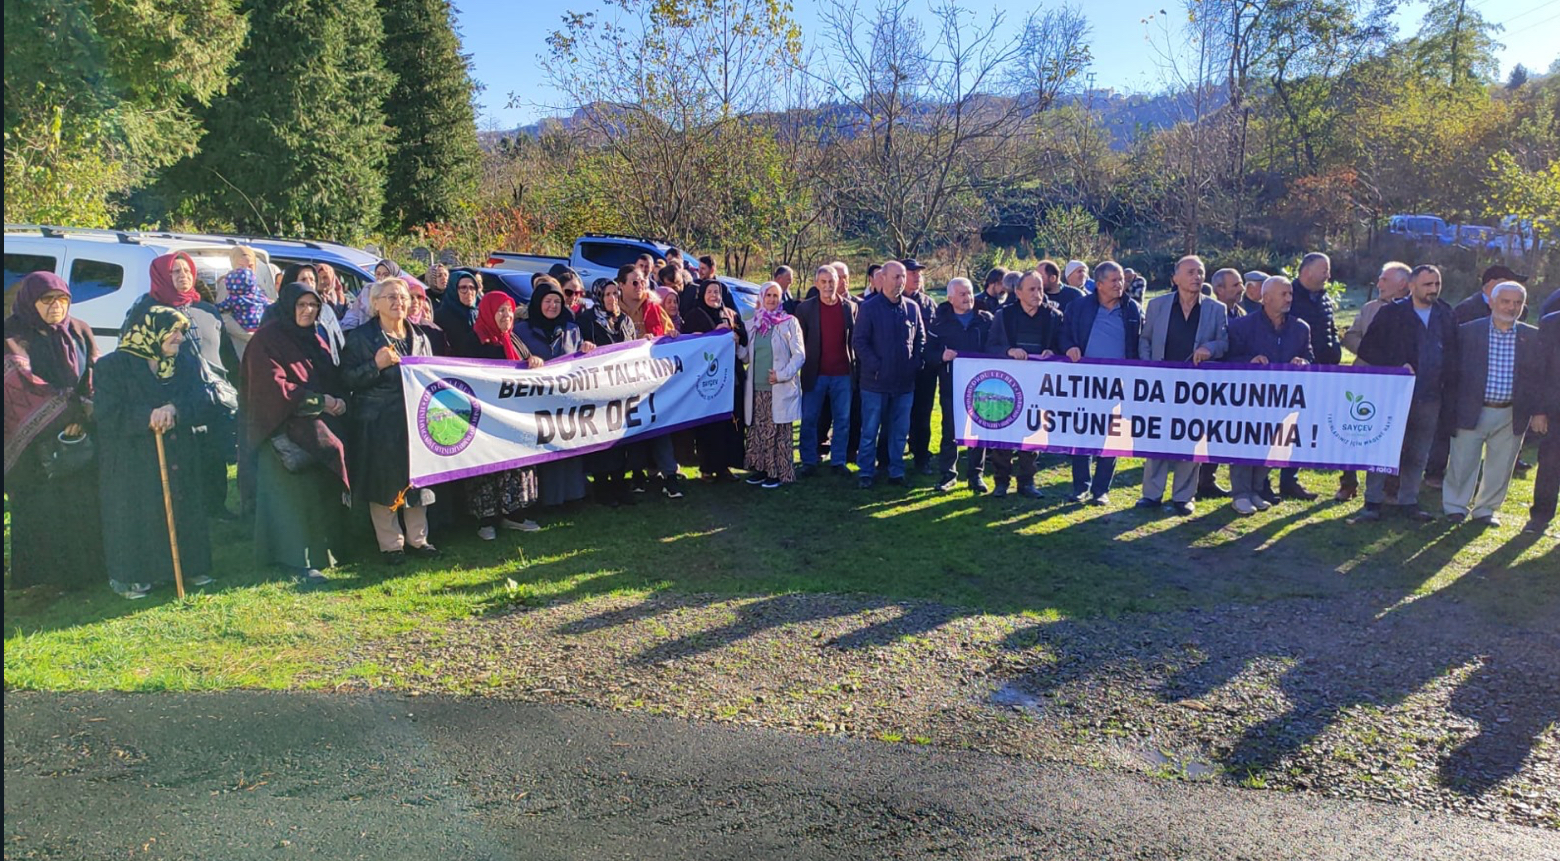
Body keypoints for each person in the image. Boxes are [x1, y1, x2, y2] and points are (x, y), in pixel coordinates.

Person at [95, 305, 216, 598]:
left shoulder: (184, 363)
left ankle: (190, 566)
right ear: (149, 331)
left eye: (181, 332)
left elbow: (201, 399)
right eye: (173, 332)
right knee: (137, 512)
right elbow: (106, 413)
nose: (179, 338)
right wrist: (147, 416)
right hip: (131, 457)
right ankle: (133, 575)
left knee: (182, 505)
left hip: (178, 451)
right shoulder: (112, 367)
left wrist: (175, 409)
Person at [241, 282, 350, 584]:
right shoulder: (267, 340)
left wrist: (338, 399)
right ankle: (294, 558)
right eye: (301, 305)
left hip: (318, 426)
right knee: (291, 501)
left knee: (318, 493)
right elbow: (270, 389)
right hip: (281, 432)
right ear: (287, 306)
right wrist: (319, 401)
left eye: (313, 306)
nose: (307, 311)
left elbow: (330, 376)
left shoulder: (315, 339)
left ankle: (325, 552)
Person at [3, 272, 105, 590]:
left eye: (62, 300)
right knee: (39, 508)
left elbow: (94, 371)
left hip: (77, 435)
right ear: (30, 301)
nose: (56, 307)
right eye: (47, 300)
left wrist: (86, 413)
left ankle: (85, 576)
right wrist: (68, 413)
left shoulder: (79, 329)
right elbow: (20, 384)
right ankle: (40, 581)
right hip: (31, 443)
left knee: (80, 503)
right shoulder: (12, 334)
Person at [123, 251, 237, 519]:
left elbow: (227, 353)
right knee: (184, 454)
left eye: (187, 271)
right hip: (172, 395)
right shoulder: (146, 310)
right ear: (162, 275)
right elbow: (133, 354)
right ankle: (184, 511)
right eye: (176, 272)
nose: (183, 276)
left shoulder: (206, 309)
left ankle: (216, 507)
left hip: (211, 396)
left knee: (213, 452)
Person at [341, 278, 440, 563]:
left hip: (415, 422)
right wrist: (376, 365)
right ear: (375, 303)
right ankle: (391, 545)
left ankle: (419, 540)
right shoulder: (360, 337)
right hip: (378, 422)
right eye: (391, 297)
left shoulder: (420, 336)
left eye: (403, 297)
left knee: (417, 480)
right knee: (383, 482)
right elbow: (346, 379)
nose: (399, 302)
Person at [1348, 265, 1457, 524]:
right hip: (1394, 394)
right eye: (1427, 284)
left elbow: (1454, 353)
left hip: (1430, 395)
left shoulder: (1445, 313)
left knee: (1418, 451)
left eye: (1436, 284)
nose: (1433, 289)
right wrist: (1395, 365)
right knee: (1383, 449)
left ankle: (1408, 500)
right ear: (1411, 286)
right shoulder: (1391, 313)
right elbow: (1369, 350)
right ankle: (1372, 501)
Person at [1443, 282, 1547, 525]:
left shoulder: (1531, 337)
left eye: (1517, 303)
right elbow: (1452, 373)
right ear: (1491, 302)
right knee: (1462, 462)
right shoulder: (1467, 332)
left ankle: (1485, 510)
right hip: (1472, 408)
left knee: (1501, 466)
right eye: (1505, 301)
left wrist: (1537, 410)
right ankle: (1455, 507)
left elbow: (1538, 376)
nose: (1511, 308)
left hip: (1511, 411)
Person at [1136, 255, 1228, 515]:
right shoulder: (1157, 305)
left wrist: (1210, 348)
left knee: (1191, 438)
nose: (1197, 276)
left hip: (1196, 388)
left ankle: (1184, 496)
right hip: (1161, 384)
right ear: (1175, 278)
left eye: (1200, 272)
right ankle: (1151, 495)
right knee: (1158, 437)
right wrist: (1149, 367)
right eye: (1191, 272)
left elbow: (1224, 343)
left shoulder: (1215, 309)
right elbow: (1145, 339)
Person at [1223, 276, 1313, 515]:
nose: (1289, 298)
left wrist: (1303, 362)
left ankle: (1255, 490)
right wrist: (1248, 362)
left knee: (1271, 444)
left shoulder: (1301, 328)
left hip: (1282, 399)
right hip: (1248, 398)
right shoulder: (1242, 326)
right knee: (1245, 444)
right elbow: (1227, 360)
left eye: (1290, 294)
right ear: (1266, 298)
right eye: (1283, 294)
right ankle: (1240, 494)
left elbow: (1310, 358)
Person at [459, 291, 544, 537]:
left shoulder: (513, 339)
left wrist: (534, 361)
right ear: (488, 312)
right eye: (500, 311)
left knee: (514, 466)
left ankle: (514, 514)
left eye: (509, 310)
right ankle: (485, 520)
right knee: (486, 467)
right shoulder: (473, 341)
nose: (507, 316)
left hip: (511, 416)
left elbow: (527, 362)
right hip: (483, 418)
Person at [1059, 262, 1143, 506]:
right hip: (1085, 381)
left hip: (1119, 382)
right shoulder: (1078, 306)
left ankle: (1101, 490)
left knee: (1111, 436)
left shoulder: (1132, 309)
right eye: (1114, 280)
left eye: (1121, 280)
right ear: (1099, 284)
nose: (1120, 284)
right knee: (1082, 434)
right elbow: (1063, 334)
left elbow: (1138, 343)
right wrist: (1069, 347)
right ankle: (1080, 486)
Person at [1335, 262, 1414, 502]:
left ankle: (1390, 487)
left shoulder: (1414, 310)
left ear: (1402, 284)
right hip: (1364, 378)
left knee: (1392, 433)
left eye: (1384, 280)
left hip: (1397, 384)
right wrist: (1373, 354)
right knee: (1352, 429)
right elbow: (1351, 336)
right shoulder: (1370, 308)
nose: (1378, 284)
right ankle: (1348, 482)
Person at [986, 269, 1065, 499]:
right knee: (1004, 433)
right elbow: (991, 346)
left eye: (1040, 288)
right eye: (1032, 289)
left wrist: (1055, 353)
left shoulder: (1054, 316)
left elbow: (1063, 345)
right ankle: (1001, 482)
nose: (1037, 293)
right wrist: (1008, 351)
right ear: (1018, 292)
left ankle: (1027, 481)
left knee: (1033, 433)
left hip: (1040, 385)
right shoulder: (1004, 315)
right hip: (1008, 385)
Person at [517, 276, 596, 507]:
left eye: (557, 302)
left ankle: (573, 495)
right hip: (537, 402)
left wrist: (586, 349)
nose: (552, 306)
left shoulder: (572, 329)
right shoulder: (522, 330)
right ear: (538, 303)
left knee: (569, 448)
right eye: (547, 301)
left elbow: (580, 359)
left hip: (567, 400)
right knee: (545, 450)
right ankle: (548, 499)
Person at [852, 261, 925, 488]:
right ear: (882, 279)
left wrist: (915, 363)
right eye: (896, 277)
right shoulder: (869, 308)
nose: (901, 281)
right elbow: (859, 342)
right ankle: (866, 471)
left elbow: (920, 339)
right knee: (870, 430)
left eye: (903, 277)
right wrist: (877, 366)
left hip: (904, 384)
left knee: (899, 431)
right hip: (875, 383)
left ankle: (896, 471)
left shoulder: (912, 308)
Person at [1278, 252, 1341, 501]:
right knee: (1288, 426)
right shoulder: (1290, 296)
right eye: (1324, 269)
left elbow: (1329, 326)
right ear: (1306, 272)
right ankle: (1273, 478)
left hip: (1323, 370)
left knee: (1307, 426)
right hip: (1297, 371)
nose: (1328, 274)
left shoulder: (1324, 298)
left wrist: (1335, 345)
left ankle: (1290, 479)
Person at [929, 277, 994, 492]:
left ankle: (976, 475)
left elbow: (996, 347)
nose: (968, 298)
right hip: (951, 386)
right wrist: (941, 355)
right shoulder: (939, 323)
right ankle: (948, 474)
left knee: (978, 432)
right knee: (950, 431)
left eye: (969, 293)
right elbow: (927, 352)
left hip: (981, 388)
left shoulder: (986, 321)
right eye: (962, 294)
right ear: (950, 298)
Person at [682, 278, 748, 481]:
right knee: (710, 426)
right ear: (702, 294)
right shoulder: (694, 315)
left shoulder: (731, 314)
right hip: (707, 382)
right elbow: (690, 345)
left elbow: (744, 343)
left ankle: (726, 466)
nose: (714, 296)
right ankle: (707, 467)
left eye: (717, 292)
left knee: (731, 423)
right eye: (710, 292)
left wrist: (736, 337)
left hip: (731, 378)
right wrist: (713, 335)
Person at [795, 265, 857, 478]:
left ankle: (838, 461)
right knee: (810, 419)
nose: (828, 286)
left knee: (842, 420)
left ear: (838, 282)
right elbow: (799, 342)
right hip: (815, 374)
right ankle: (808, 461)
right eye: (824, 282)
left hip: (843, 374)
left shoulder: (850, 308)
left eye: (832, 281)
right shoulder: (805, 310)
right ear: (816, 284)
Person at [743, 283, 805, 488]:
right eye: (768, 295)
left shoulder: (789, 323)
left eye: (775, 296)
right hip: (756, 389)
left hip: (778, 387)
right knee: (759, 431)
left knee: (777, 432)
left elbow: (799, 355)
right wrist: (733, 342)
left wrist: (782, 375)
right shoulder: (752, 324)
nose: (771, 299)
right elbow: (745, 356)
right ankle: (761, 469)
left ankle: (778, 472)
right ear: (761, 297)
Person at [1198, 268, 1248, 499]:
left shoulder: (1240, 313)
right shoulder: (1205, 312)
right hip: (1209, 382)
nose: (1242, 289)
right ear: (1219, 289)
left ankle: (1208, 480)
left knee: (1222, 435)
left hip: (1234, 384)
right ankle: (1200, 480)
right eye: (1236, 285)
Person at [900, 258, 940, 474]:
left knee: (923, 414)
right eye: (912, 273)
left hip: (925, 370)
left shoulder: (928, 303)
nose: (917, 277)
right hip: (900, 369)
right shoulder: (892, 302)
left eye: (919, 273)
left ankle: (921, 456)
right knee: (896, 415)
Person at [1527, 309, 1560, 533]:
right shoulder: (1551, 323)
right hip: (1555, 409)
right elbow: (1539, 369)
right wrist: (1538, 410)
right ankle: (1539, 517)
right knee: (1550, 465)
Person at [216, 246, 269, 362]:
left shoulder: (259, 284)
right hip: (240, 345)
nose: (247, 270)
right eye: (241, 266)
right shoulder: (228, 284)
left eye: (250, 266)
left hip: (263, 346)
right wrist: (248, 335)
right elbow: (222, 316)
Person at [435, 268, 482, 356]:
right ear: (453, 289)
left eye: (472, 288)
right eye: (463, 288)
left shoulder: (481, 314)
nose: (469, 292)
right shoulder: (441, 316)